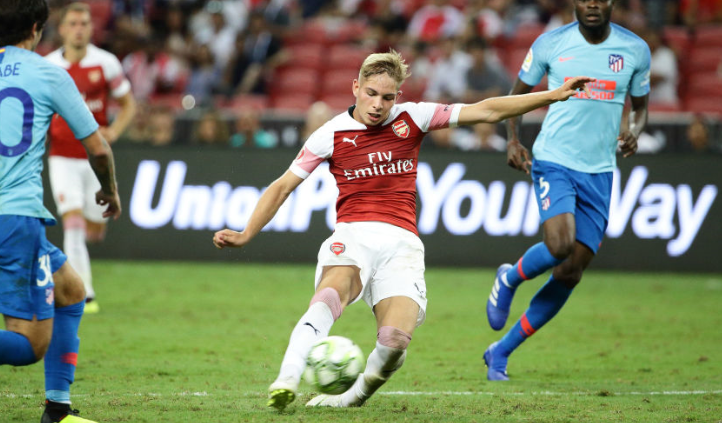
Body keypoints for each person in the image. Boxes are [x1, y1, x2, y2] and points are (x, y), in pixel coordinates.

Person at [212, 50, 593, 410]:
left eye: (388, 97)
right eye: (371, 93)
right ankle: (287, 378)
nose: (378, 104)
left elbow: (487, 109)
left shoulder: (414, 117)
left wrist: (553, 95)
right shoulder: (330, 134)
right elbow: (282, 186)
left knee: (394, 342)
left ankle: (351, 398)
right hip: (352, 235)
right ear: (356, 87)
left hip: (402, 244)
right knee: (330, 293)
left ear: (398, 97)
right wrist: (246, 233)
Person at [484, 0, 650, 381]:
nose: (592, 3)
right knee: (560, 244)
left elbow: (641, 108)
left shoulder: (635, 50)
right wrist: (513, 140)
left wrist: (634, 131)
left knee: (570, 272)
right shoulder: (550, 43)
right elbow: (516, 96)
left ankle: (500, 352)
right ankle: (510, 278)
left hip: (600, 171)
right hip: (554, 160)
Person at [0, 1, 121, 422]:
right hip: (13, 218)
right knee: (29, 344)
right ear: (37, 28)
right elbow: (98, 148)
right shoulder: (49, 72)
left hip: (13, 219)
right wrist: (110, 191)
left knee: (71, 290)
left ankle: (58, 410)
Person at [44, 2, 135, 314]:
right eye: (73, 23)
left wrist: (115, 131)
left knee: (93, 231)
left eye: (84, 23)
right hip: (62, 156)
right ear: (62, 29)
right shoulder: (49, 66)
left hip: (95, 157)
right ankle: (85, 294)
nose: (79, 29)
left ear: (91, 28)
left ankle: (84, 264)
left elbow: (128, 104)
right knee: (72, 222)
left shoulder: (106, 63)